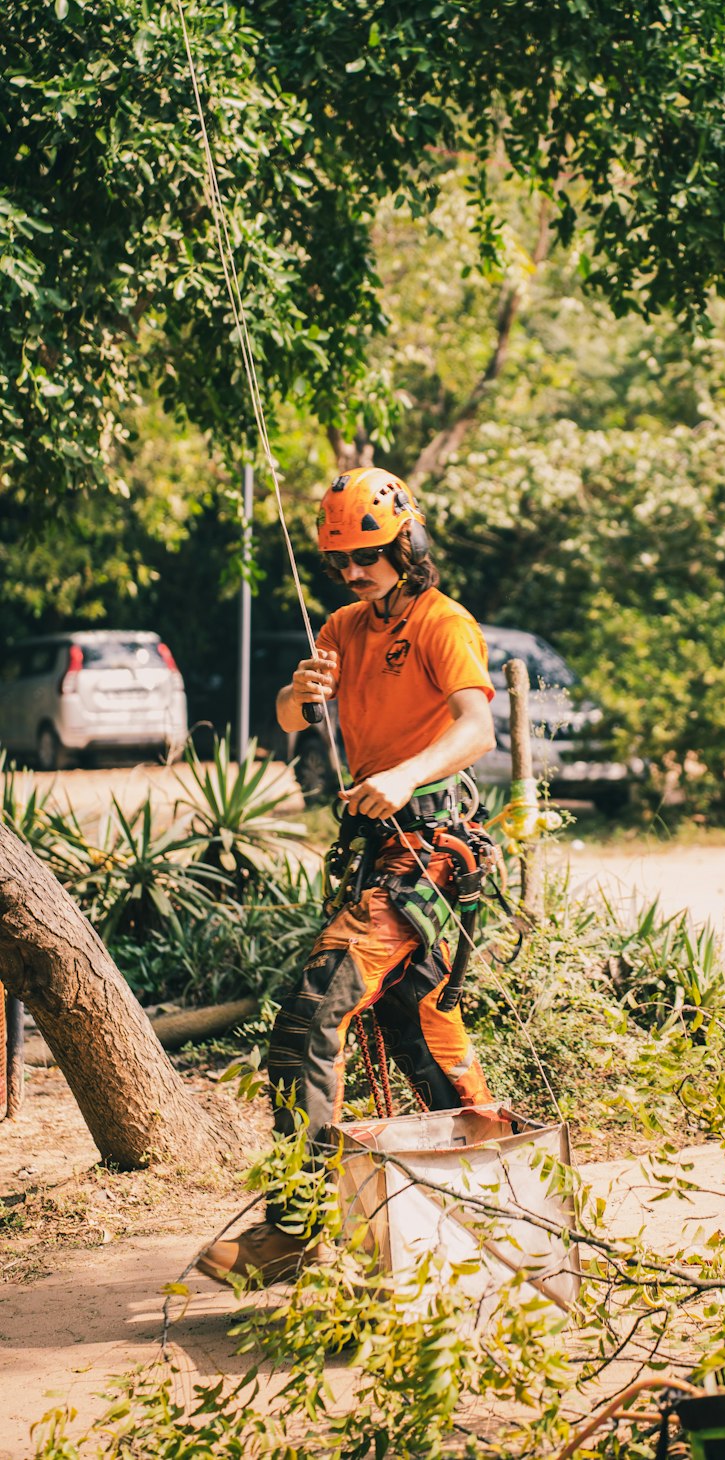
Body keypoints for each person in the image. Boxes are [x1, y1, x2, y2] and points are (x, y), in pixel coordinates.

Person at [198, 467, 498, 1285]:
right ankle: (498, 1199)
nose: (353, 573)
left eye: (366, 556)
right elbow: (291, 721)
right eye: (340, 562)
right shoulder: (341, 625)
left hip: (429, 842)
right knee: (417, 1022)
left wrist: (407, 775)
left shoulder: (443, 623)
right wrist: (299, 695)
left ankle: (293, 1232)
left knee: (307, 1019)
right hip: (374, 841)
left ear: (407, 544)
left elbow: (477, 725)